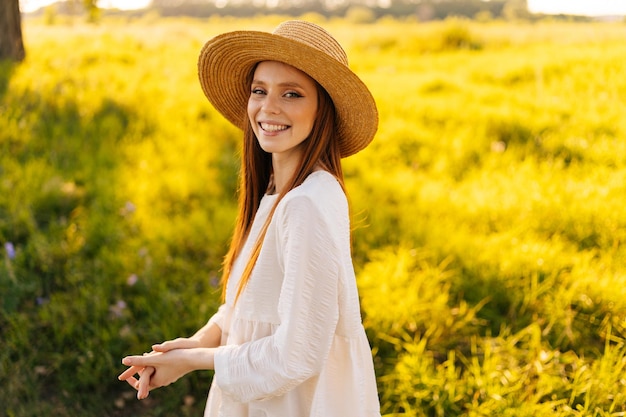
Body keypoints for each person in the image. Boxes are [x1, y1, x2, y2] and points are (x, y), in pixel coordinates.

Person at [118, 20, 381, 417]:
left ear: (321, 109)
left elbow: (296, 353)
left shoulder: (306, 204)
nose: (268, 108)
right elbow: (252, 305)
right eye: (260, 91)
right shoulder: (278, 192)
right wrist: (200, 339)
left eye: (291, 94)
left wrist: (194, 362)